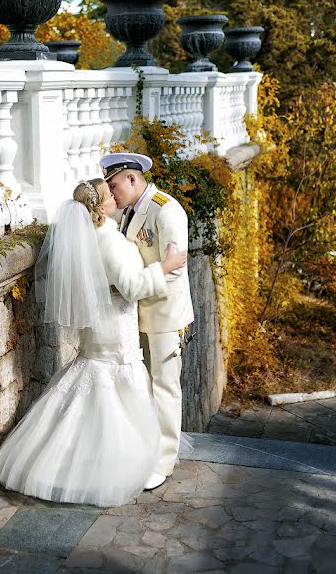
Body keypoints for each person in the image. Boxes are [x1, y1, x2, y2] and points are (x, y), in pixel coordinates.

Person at [0, 178, 188, 507]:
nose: (115, 195)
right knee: (112, 393)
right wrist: (165, 266)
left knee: (93, 386)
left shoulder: (91, 237)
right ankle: (111, 467)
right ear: (102, 207)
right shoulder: (108, 241)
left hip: (103, 327)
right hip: (115, 330)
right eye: (110, 193)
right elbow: (132, 287)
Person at [103, 152, 194, 491]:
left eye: (114, 186)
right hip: (140, 312)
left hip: (165, 314)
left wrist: (132, 287)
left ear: (132, 178)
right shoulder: (129, 211)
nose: (112, 194)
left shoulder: (165, 209)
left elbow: (175, 269)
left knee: (165, 387)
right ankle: (150, 451)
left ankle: (164, 461)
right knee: (147, 386)